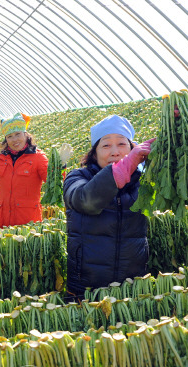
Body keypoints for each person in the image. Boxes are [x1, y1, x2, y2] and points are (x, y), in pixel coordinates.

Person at [63, 115, 154, 299]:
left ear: (132, 148)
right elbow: (86, 200)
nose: (115, 152)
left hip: (133, 286)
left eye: (122, 144)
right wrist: (124, 167)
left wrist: (177, 124)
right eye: (106, 145)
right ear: (94, 153)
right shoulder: (77, 178)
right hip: (87, 289)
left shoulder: (143, 181)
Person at [0, 113, 49, 227]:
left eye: (18, 134)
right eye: (10, 136)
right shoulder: (1, 159)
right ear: (6, 139)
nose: (14, 140)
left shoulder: (38, 157)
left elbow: (52, 179)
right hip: (3, 220)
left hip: (28, 221)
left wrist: (60, 165)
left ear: (25, 134)